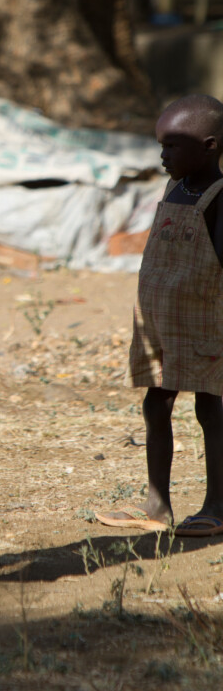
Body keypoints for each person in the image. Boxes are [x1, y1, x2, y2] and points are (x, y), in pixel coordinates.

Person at [96, 94, 223, 537]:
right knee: (156, 403)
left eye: (172, 146)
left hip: (207, 323)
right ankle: (158, 503)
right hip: (161, 324)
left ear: (209, 146)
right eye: (161, 145)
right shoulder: (175, 189)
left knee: (212, 408)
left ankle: (216, 505)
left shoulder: (217, 198)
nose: (162, 155)